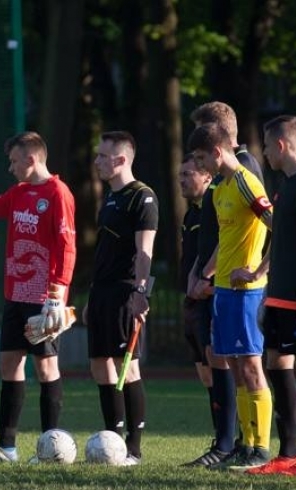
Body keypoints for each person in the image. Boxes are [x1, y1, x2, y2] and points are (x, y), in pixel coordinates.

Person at [0, 133, 76, 463]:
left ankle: (52, 447)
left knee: (46, 367)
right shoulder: (20, 193)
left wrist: (57, 293)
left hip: (43, 299)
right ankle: (7, 446)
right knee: (9, 365)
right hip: (16, 297)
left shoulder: (57, 193)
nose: (10, 167)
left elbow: (66, 246)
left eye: (14, 161)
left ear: (32, 160)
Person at [184, 101, 266, 466]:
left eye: (202, 160)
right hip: (224, 291)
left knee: (250, 366)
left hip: (247, 292)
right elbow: (224, 240)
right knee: (232, 365)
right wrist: (206, 273)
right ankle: (244, 445)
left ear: (217, 151)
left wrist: (258, 271)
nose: (199, 168)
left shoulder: (248, 182)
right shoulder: (220, 189)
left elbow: (280, 229)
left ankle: (261, 447)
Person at [83, 131, 157, 466]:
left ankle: (134, 448)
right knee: (100, 365)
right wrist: (91, 297)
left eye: (103, 156)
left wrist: (142, 292)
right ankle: (112, 441)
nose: (97, 161)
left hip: (126, 292)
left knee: (127, 367)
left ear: (121, 159)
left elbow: (144, 252)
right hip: (102, 293)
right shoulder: (109, 199)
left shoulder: (142, 197)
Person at [244, 115, 296, 475]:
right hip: (279, 295)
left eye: (265, 145)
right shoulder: (283, 185)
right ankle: (289, 454)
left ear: (281, 145)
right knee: (277, 364)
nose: (262, 152)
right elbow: (280, 240)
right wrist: (264, 281)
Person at [176, 153, 216, 463]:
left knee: (218, 369)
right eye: (180, 175)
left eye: (188, 174)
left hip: (209, 298)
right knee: (204, 372)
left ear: (206, 176)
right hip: (191, 301)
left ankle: (232, 440)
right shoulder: (191, 215)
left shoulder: (215, 208)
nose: (181, 180)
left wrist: (207, 281)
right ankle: (221, 439)